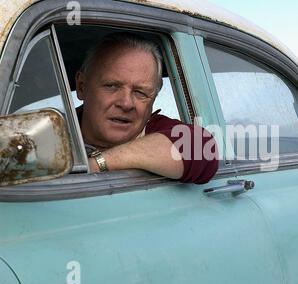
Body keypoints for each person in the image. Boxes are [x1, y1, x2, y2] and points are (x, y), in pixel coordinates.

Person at [75, 32, 218, 184]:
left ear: (154, 99)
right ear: (81, 87)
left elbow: (202, 147)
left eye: (140, 92)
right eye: (112, 86)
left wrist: (98, 164)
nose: (126, 103)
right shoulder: (53, 130)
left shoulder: (156, 130)